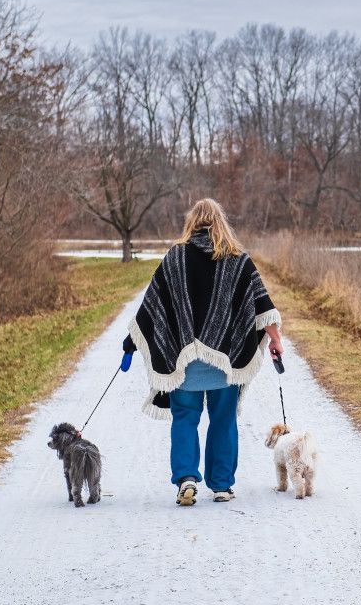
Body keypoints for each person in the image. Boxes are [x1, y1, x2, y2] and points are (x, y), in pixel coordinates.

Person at [121, 199, 283, 506]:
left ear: (192, 223)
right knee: (223, 420)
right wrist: (274, 340)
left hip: (186, 364)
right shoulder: (238, 259)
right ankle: (221, 485)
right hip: (226, 363)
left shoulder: (175, 258)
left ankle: (186, 479)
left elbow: (151, 308)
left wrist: (131, 342)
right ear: (221, 222)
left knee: (184, 418)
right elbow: (263, 306)